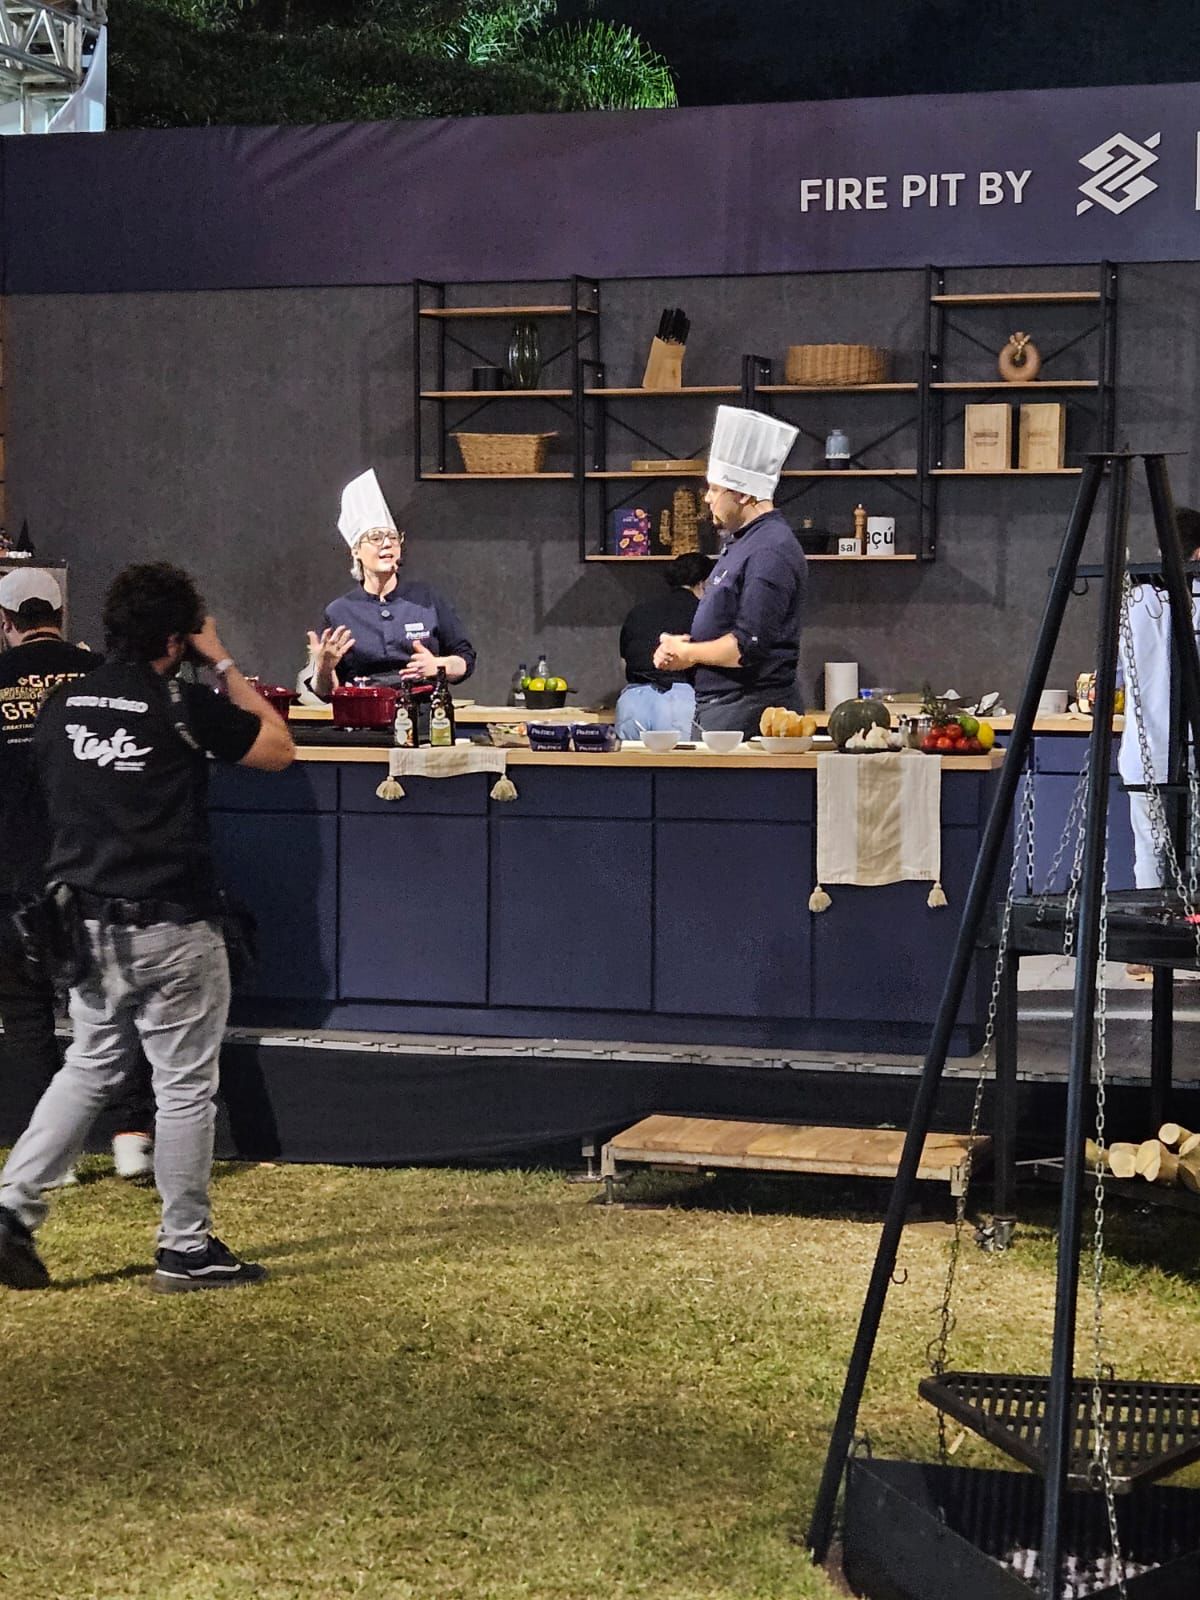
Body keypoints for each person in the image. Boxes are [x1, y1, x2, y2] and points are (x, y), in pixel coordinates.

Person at [0, 562, 295, 1293]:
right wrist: (221, 658)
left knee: (90, 1065)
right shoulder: (183, 706)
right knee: (185, 1087)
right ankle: (184, 1246)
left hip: (86, 925)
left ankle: (11, 1209)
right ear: (178, 635)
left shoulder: (63, 706)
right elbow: (277, 746)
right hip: (173, 925)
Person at [0, 568, 156, 1183]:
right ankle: (130, 1137)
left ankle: (53, 1155)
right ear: (62, 616)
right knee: (112, 1004)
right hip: (95, 867)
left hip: (11, 870)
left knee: (26, 1013)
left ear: (6, 623)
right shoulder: (97, 676)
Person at [653, 407, 807, 737]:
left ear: (744, 493)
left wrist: (689, 653)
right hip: (724, 707)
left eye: (714, 488)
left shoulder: (770, 549)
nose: (707, 498)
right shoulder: (744, 542)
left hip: (747, 710)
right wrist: (684, 648)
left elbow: (746, 646)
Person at [302, 468, 476, 705]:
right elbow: (324, 692)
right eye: (375, 537)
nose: (387, 544)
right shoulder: (339, 611)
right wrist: (324, 667)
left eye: (392, 537)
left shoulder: (427, 599)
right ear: (355, 550)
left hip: (425, 713)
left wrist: (439, 665)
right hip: (362, 715)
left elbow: (465, 660)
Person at [1117, 505, 1200, 978]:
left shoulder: (1136, 603)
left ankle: (1148, 951)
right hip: (1189, 746)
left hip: (1145, 750)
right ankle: (1187, 948)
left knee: (1150, 848)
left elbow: (1126, 674)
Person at [614, 553, 713, 740]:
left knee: (631, 767)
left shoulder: (638, 612)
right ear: (703, 583)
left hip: (633, 702)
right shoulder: (706, 614)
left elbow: (625, 663)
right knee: (681, 768)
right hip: (683, 701)